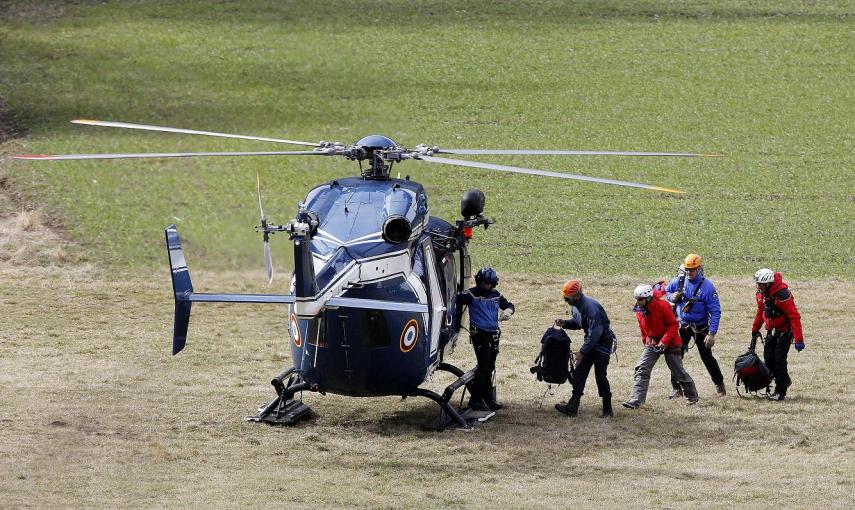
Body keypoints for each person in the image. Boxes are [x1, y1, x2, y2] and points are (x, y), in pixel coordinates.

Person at [622, 284, 699, 409]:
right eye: (636, 299)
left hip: (671, 342)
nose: (637, 302)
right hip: (652, 342)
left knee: (677, 372)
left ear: (648, 298)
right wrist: (646, 341)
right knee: (642, 368)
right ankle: (636, 400)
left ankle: (692, 397)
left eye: (640, 299)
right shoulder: (639, 311)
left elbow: (673, 326)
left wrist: (664, 342)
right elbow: (643, 329)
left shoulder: (663, 306)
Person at [666, 253, 726, 398]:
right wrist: (672, 297)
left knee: (706, 357)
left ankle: (719, 385)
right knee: (675, 356)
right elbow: (668, 291)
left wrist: (712, 333)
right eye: (687, 269)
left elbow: (715, 311)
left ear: (699, 269)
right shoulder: (679, 281)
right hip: (682, 326)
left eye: (692, 270)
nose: (689, 273)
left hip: (701, 328)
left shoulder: (708, 287)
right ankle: (676, 388)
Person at [455, 266, 515, 411]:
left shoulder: (496, 295)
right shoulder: (471, 294)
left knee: (490, 367)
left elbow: (509, 305)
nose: (487, 286)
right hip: (479, 334)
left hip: (493, 334)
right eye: (485, 283)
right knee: (484, 366)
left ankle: (488, 399)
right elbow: (456, 299)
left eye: (490, 283)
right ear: (479, 281)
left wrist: (508, 311)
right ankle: (475, 399)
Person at [554, 279, 615, 418]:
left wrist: (582, 352)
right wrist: (565, 323)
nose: (566, 301)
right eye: (565, 299)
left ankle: (607, 409)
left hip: (602, 344)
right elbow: (578, 323)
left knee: (600, 376)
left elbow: (595, 333)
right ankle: (572, 407)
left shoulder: (591, 308)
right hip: (591, 342)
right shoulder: (575, 305)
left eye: (567, 299)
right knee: (579, 373)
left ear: (576, 295)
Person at [752, 268, 804, 401]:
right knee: (769, 360)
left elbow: (794, 316)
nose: (758, 287)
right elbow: (760, 311)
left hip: (785, 332)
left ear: (768, 284)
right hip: (771, 331)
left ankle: (780, 392)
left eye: (761, 284)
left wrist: (798, 339)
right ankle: (785, 380)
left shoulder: (782, 295)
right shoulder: (761, 295)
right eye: (757, 284)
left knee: (779, 361)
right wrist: (755, 328)